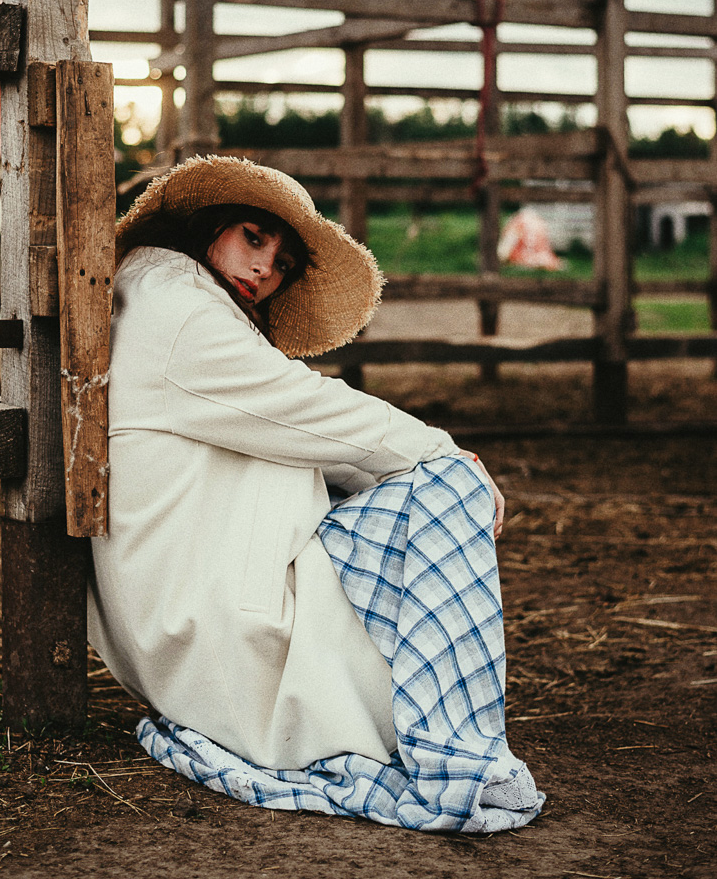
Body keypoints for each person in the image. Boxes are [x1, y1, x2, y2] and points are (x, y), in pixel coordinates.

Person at [88, 155, 544, 834]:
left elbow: (298, 430)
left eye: (283, 261)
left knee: (404, 490)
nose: (264, 267)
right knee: (443, 489)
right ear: (210, 227)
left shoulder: (165, 293)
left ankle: (415, 705)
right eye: (252, 236)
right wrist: (440, 454)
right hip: (209, 625)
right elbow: (306, 408)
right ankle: (443, 731)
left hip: (186, 604)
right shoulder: (177, 308)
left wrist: (409, 467)